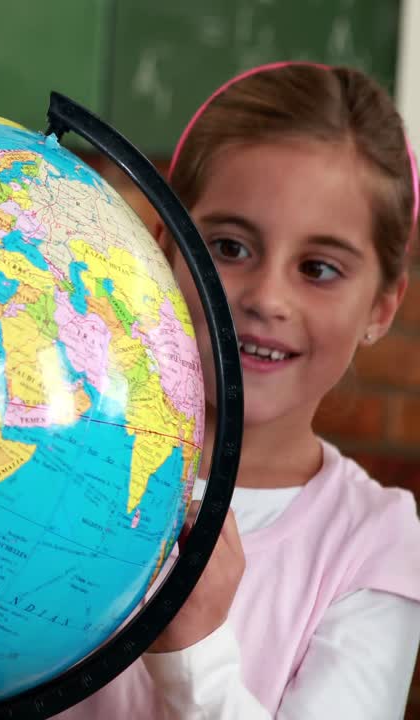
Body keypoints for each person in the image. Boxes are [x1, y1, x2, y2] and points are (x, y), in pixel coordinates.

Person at [58, 61, 420, 718]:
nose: (267, 299)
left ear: (383, 306)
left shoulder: (376, 542)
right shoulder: (54, 449)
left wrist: (193, 651)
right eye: (228, 247)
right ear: (167, 247)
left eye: (318, 268)